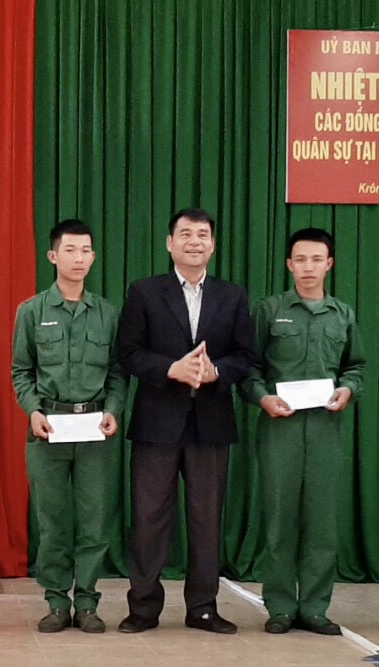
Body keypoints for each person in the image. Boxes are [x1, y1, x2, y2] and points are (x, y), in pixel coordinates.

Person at [116, 207, 254, 635]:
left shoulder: (232, 296)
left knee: (206, 519)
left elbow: (246, 356)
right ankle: (143, 608)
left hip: (211, 423)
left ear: (213, 244)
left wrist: (218, 372)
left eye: (203, 235)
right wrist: (169, 369)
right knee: (149, 518)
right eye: (186, 234)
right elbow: (128, 353)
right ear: (170, 243)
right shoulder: (144, 292)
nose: (195, 241)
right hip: (156, 424)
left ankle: (203, 608)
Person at [240, 227, 365, 635]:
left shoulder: (342, 314)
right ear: (289, 265)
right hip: (281, 427)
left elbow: (356, 367)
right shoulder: (269, 310)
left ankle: (314, 608)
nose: (308, 267)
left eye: (316, 259)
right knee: (280, 518)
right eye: (300, 259)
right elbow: (249, 368)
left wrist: (349, 389)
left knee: (321, 521)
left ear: (329, 264)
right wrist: (263, 398)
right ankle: (279, 607)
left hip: (326, 427)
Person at [11, 219, 127, 634]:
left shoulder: (107, 313)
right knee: (54, 522)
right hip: (49, 430)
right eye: (70, 250)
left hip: (94, 431)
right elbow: (21, 371)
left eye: (86, 251)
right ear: (53, 256)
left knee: (93, 522)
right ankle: (57, 602)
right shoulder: (31, 311)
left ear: (93, 257)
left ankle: (88, 604)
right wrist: (33, 410)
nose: (79, 258)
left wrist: (113, 409)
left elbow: (117, 373)